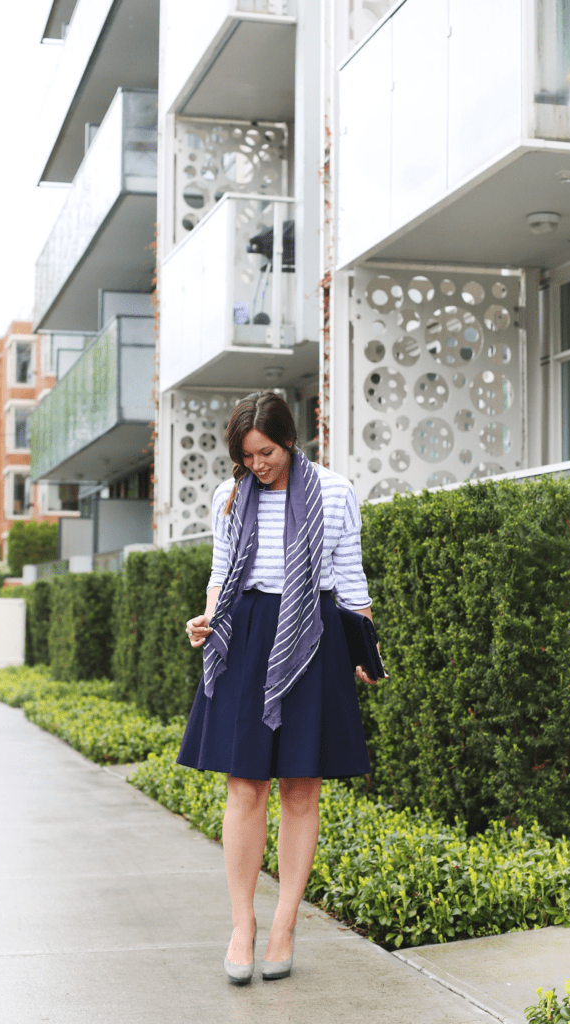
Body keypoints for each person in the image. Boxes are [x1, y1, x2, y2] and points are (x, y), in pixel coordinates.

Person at [177, 391, 377, 984]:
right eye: (246, 455)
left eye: (265, 452)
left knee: (300, 787)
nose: (257, 464)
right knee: (244, 785)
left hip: (311, 634)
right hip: (245, 632)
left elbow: (348, 574)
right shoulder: (231, 494)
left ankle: (285, 922)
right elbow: (221, 571)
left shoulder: (336, 493)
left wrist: (368, 646)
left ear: (290, 440)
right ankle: (243, 926)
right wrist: (206, 619)